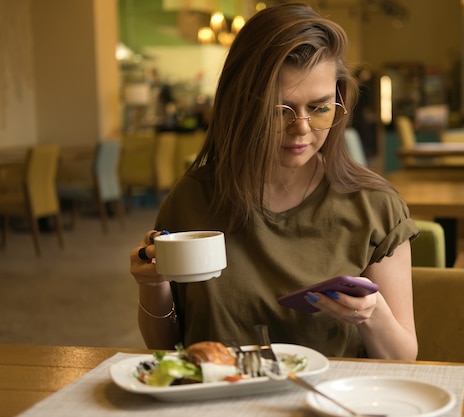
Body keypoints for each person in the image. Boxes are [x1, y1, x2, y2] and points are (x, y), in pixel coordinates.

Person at [130, 3, 419, 360]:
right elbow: (164, 348)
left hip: (328, 406)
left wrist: (372, 314)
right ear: (241, 105)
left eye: (320, 108)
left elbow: (403, 358)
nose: (301, 128)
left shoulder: (373, 206)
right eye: (277, 110)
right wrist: (152, 285)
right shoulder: (193, 197)